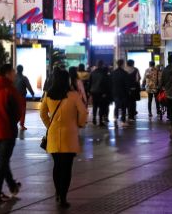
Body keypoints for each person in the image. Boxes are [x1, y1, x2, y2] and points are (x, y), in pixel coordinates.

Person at [40, 68, 88, 208]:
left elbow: (42, 113)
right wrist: (79, 123)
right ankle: (63, 197)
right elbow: (83, 112)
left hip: (54, 135)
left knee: (57, 165)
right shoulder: (73, 95)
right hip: (70, 135)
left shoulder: (48, 94)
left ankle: (58, 192)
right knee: (67, 167)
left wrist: (50, 125)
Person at [0, 64, 24, 202]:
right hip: (7, 130)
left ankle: (12, 186)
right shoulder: (10, 89)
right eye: (13, 72)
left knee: (3, 160)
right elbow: (17, 111)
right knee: (3, 162)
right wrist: (13, 121)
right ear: (7, 73)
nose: (14, 75)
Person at [89, 61, 111, 126]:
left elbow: (90, 83)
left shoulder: (92, 73)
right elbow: (106, 83)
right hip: (101, 92)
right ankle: (100, 121)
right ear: (102, 65)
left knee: (95, 106)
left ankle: (94, 119)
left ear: (97, 65)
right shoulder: (104, 73)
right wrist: (106, 92)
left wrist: (90, 92)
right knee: (101, 106)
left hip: (93, 91)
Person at [15, 65, 35, 131]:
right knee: (22, 111)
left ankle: (13, 124)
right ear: (22, 70)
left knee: (13, 110)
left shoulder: (13, 77)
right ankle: (22, 125)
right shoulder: (24, 78)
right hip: (21, 97)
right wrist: (32, 94)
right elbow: (28, 86)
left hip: (13, 96)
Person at [111, 59, 130, 126]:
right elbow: (127, 84)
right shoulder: (125, 73)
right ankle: (123, 121)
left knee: (116, 105)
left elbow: (111, 83)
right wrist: (128, 91)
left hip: (115, 91)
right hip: (123, 92)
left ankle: (115, 117)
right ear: (122, 64)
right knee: (123, 107)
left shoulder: (113, 73)